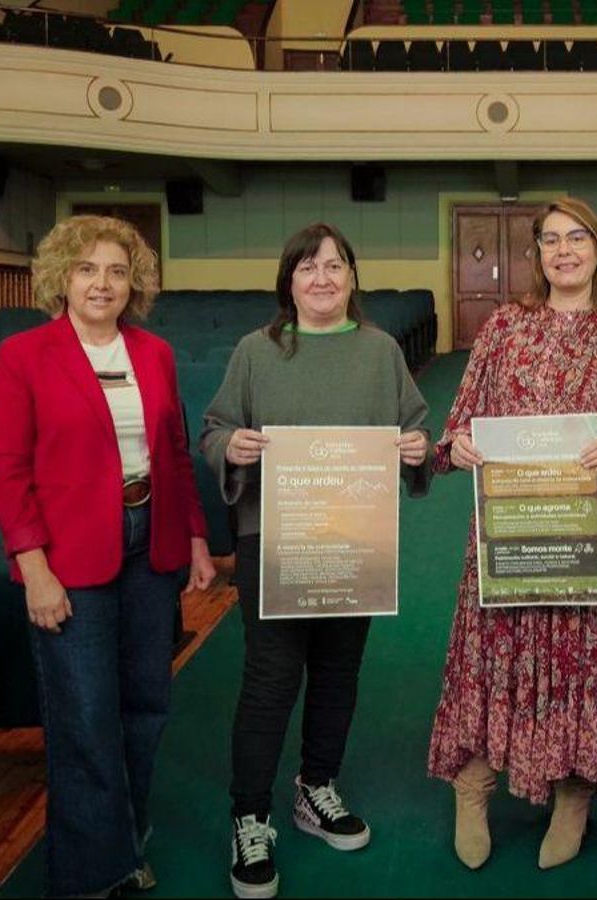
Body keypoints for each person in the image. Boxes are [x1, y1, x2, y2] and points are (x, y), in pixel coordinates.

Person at [426, 197, 597, 871]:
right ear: (536, 254)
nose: (564, 251)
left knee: (587, 659)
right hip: (512, 525)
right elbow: (458, 423)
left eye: (577, 238)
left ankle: (574, 793)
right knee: (496, 650)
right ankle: (473, 784)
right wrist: (459, 444)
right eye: (551, 240)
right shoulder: (504, 327)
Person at [0, 214, 217, 898]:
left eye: (117, 271)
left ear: (133, 283)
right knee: (84, 716)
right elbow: (7, 467)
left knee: (147, 704)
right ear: (62, 277)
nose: (102, 283)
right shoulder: (25, 355)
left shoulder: (154, 353)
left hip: (151, 543)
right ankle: (88, 875)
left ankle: (126, 844)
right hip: (69, 555)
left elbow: (174, 454)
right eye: (87, 269)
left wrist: (195, 536)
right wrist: (33, 568)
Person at [200, 223, 431, 900]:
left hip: (355, 539)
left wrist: (417, 447)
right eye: (308, 268)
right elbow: (214, 429)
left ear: (352, 278)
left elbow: (416, 425)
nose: (322, 278)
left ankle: (316, 788)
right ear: (289, 281)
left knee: (337, 671)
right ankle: (250, 816)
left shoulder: (381, 351)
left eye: (334, 266)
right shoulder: (256, 351)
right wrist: (231, 448)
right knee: (270, 679)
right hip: (274, 539)